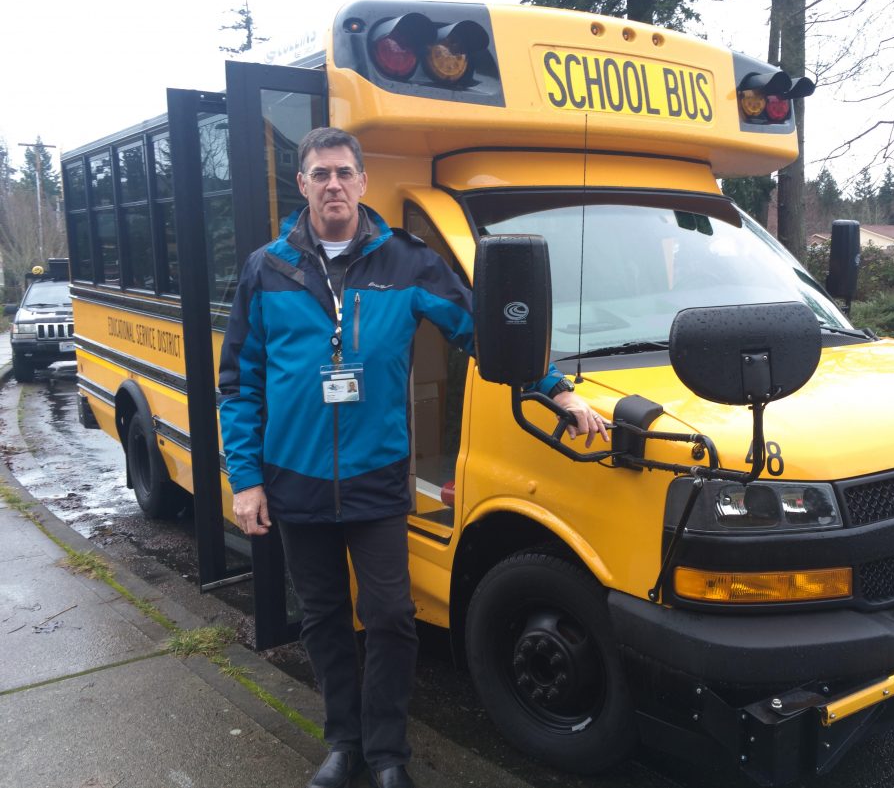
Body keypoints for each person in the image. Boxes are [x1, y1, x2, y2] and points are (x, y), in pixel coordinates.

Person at [218, 127, 606, 788]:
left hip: (375, 480)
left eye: (344, 172)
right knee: (324, 619)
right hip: (295, 481)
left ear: (364, 183)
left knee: (393, 616)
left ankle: (389, 753)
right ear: (304, 186)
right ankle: (344, 745)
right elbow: (240, 380)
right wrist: (247, 478)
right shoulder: (268, 268)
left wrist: (555, 390)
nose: (333, 183)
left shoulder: (407, 261)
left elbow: (483, 332)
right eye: (320, 174)